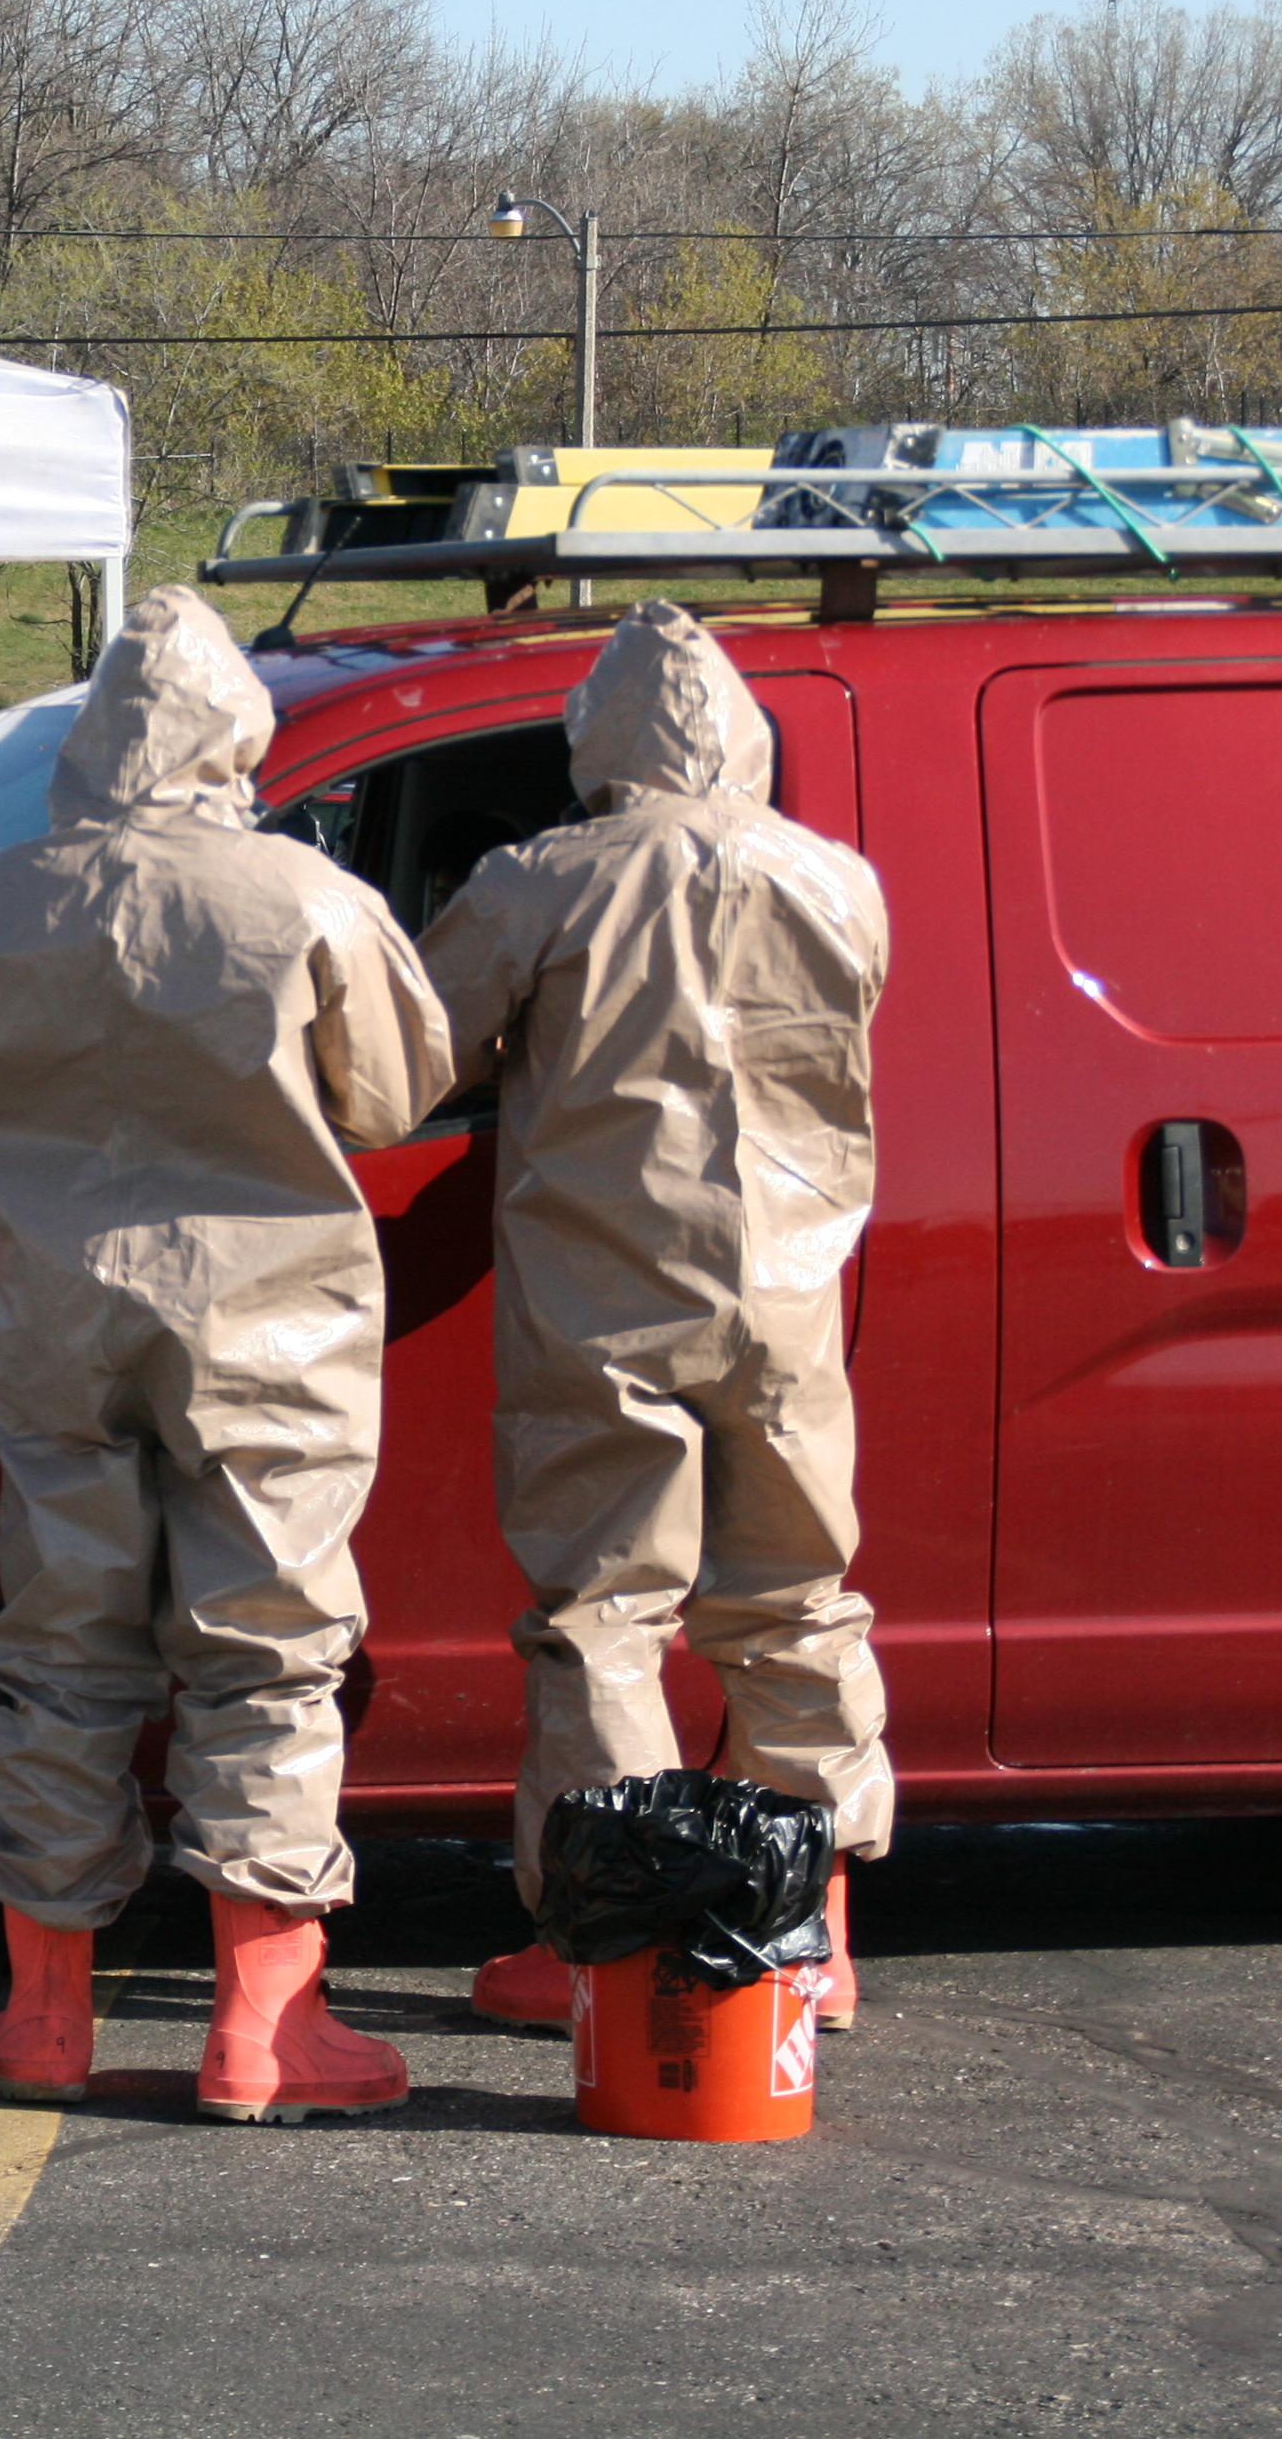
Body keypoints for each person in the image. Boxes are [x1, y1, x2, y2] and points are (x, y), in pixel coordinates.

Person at [0, 584, 453, 2123]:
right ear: (238, 733)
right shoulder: (299, 896)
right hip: (265, 1321)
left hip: (47, 1317)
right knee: (268, 1652)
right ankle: (260, 2030)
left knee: (58, 1647)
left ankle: (41, 2020)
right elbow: (398, 1092)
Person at [416, 600, 894, 2036]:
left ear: (598, 739)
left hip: (604, 1296)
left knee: (607, 1618)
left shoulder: (541, 881)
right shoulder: (839, 882)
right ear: (742, 730)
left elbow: (407, 1056)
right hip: (792, 1294)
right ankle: (805, 1940)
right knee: (796, 1606)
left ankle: (610, 1956)